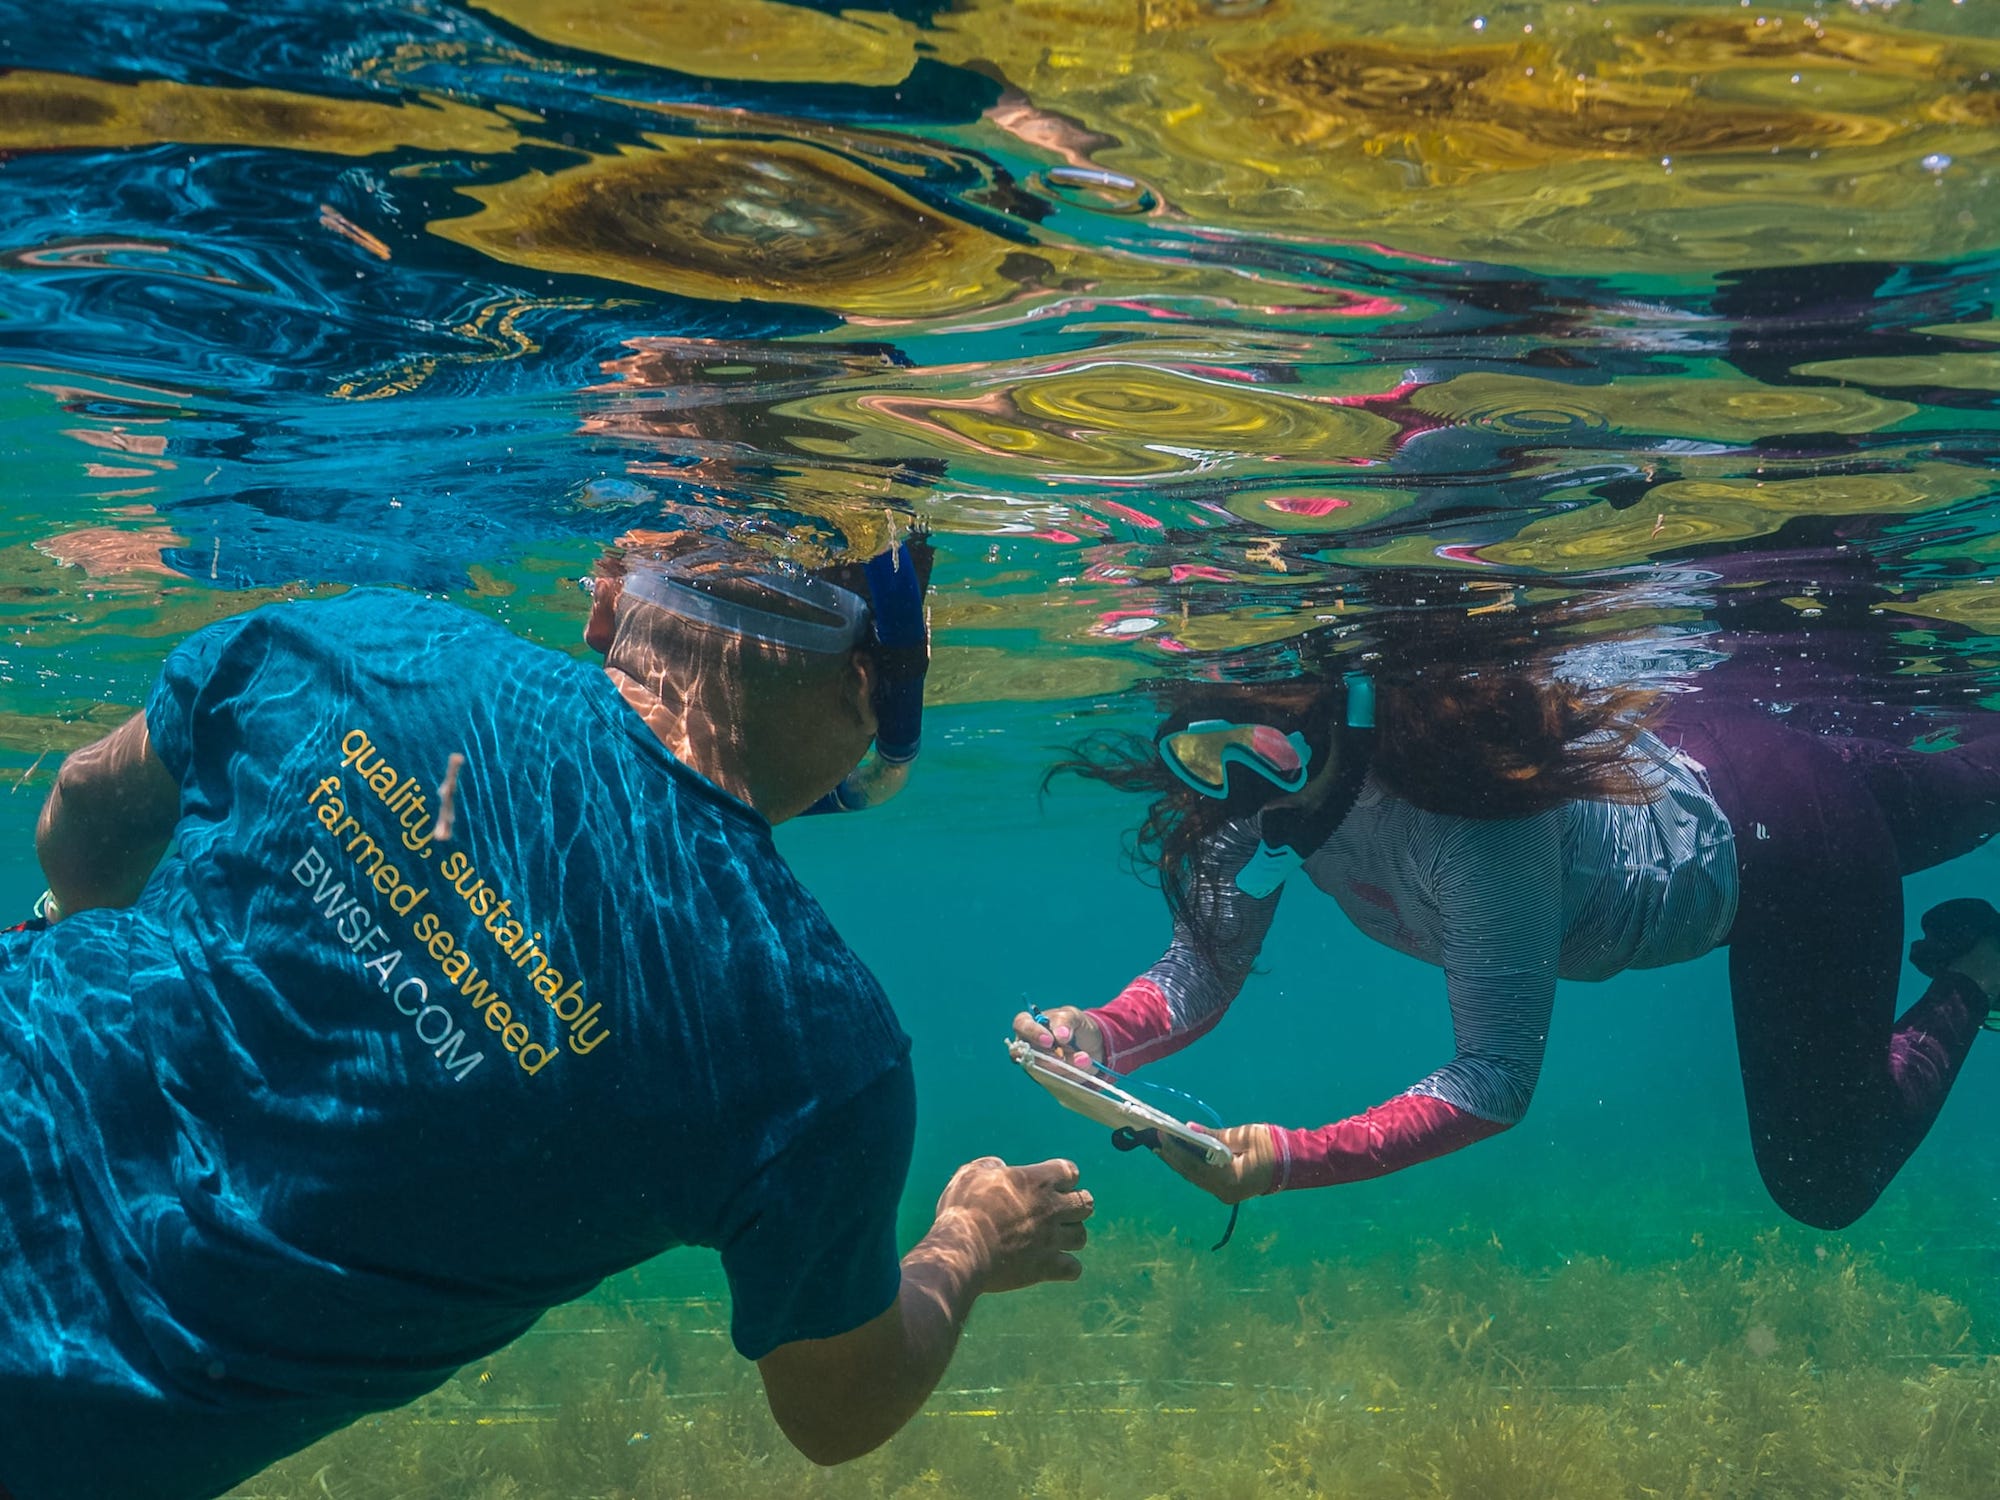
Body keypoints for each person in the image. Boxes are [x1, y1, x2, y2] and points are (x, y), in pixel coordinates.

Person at [0, 528, 1093, 1500]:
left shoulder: (369, 640)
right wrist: (972, 1238)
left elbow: (84, 815)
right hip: (60, 1431)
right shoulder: (809, 1041)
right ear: (871, 689)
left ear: (607, 608)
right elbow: (836, 1409)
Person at [1014, 586, 2000, 1232]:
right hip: (1724, 764)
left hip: (1794, 849)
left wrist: (1284, 1161)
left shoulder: (1470, 821)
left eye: (1266, 752)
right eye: (1199, 755)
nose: (1236, 786)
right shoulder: (1248, 802)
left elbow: (1495, 1078)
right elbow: (1202, 966)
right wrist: (1097, 1031)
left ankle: (1981, 969)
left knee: (1822, 1180)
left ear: (1336, 719)